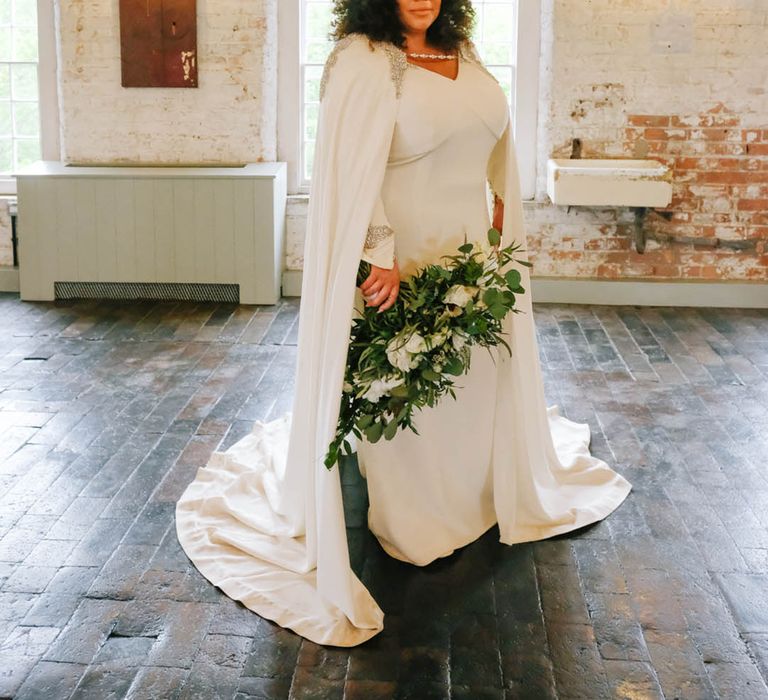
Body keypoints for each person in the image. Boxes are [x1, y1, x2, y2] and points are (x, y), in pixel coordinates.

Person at [175, 0, 632, 648]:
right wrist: (376, 259)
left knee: (471, 382)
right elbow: (348, 172)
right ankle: (413, 524)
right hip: (405, 260)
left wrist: (503, 209)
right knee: (412, 391)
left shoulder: (463, 52)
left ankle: (478, 499)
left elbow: (495, 141)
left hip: (470, 250)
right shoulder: (361, 61)